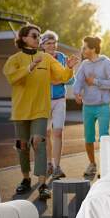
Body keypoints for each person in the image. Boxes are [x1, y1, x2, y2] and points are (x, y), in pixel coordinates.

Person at [3, 24, 79, 200]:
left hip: (40, 109)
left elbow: (62, 76)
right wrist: (29, 67)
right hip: (21, 110)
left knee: (39, 142)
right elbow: (12, 78)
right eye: (34, 36)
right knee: (23, 145)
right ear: (24, 39)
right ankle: (26, 178)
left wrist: (68, 68)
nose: (38, 39)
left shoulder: (46, 58)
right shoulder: (14, 59)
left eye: (39, 36)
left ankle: (43, 184)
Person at [73, 36, 110, 179]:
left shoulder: (107, 63)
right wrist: (76, 93)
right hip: (88, 107)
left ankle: (105, 167)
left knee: (104, 136)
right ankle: (92, 164)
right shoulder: (84, 65)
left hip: (103, 106)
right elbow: (78, 81)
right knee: (88, 137)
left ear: (92, 49)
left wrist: (96, 81)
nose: (82, 49)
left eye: (84, 47)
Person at [40, 30, 75, 180]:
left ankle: (57, 167)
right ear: (42, 45)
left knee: (58, 133)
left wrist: (61, 79)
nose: (52, 45)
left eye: (54, 42)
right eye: (49, 43)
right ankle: (49, 164)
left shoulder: (62, 58)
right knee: (46, 134)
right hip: (44, 100)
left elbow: (71, 80)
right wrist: (50, 80)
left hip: (60, 100)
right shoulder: (39, 58)